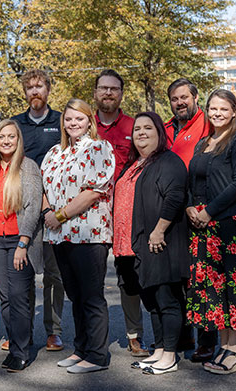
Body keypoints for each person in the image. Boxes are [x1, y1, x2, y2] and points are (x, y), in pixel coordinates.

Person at [185, 90, 236, 375]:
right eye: (213, 108)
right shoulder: (203, 143)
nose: (217, 113)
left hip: (233, 226)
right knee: (215, 289)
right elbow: (192, 183)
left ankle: (235, 349)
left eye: (223, 108)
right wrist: (190, 208)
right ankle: (223, 346)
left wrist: (208, 211)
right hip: (204, 228)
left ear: (234, 112)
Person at [41, 98, 115, 374]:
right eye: (69, 119)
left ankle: (97, 355)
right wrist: (48, 211)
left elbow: (94, 191)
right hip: (60, 236)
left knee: (91, 295)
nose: (73, 124)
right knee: (75, 294)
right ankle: (81, 349)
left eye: (79, 119)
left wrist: (60, 215)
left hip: (88, 233)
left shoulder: (99, 148)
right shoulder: (54, 152)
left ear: (89, 121)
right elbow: (44, 188)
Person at [114, 112, 189, 375]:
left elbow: (174, 197)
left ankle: (170, 355)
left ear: (160, 133)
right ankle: (159, 350)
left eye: (148, 128)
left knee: (166, 300)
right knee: (152, 301)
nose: (141, 133)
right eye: (137, 129)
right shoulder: (135, 164)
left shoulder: (168, 162)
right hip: (135, 246)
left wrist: (158, 231)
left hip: (160, 242)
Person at [0, 119, 44, 372]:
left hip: (18, 240)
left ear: (18, 140)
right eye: (2, 137)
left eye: (11, 136)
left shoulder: (28, 167)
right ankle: (14, 345)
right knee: (5, 297)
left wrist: (23, 243)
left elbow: (33, 208)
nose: (6, 141)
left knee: (18, 297)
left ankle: (22, 351)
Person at [11, 69, 65, 352]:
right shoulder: (16, 125)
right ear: (24, 92)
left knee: (54, 275)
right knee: (25, 272)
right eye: (30, 87)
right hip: (26, 207)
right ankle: (22, 329)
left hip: (56, 210)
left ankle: (53, 330)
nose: (35, 91)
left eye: (40, 86)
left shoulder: (61, 122)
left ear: (48, 90)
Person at [164, 77, 217, 362]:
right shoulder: (166, 128)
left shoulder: (208, 125)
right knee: (178, 276)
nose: (180, 102)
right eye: (175, 99)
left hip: (201, 211)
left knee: (203, 277)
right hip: (173, 211)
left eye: (184, 97)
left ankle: (207, 339)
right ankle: (182, 335)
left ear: (195, 98)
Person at [95, 69, 147, 357]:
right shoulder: (84, 125)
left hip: (125, 212)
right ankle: (91, 337)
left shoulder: (133, 125)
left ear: (121, 94)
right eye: (103, 88)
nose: (108, 93)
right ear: (96, 92)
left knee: (128, 276)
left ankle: (134, 334)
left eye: (114, 89)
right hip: (90, 212)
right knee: (92, 275)